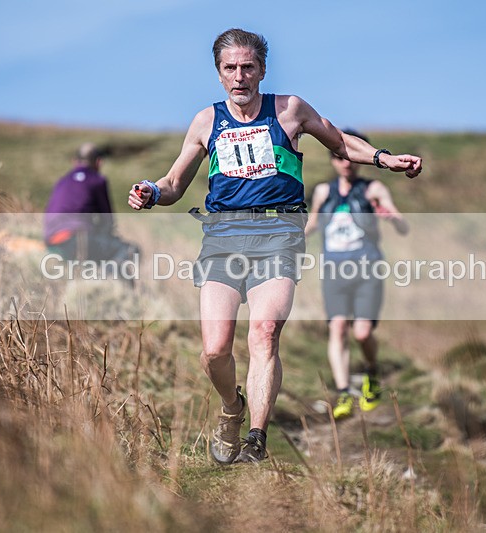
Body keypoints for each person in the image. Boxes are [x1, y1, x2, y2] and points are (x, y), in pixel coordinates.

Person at [128, 28, 422, 464]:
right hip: (223, 237)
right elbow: (174, 183)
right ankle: (232, 406)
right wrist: (152, 191)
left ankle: (256, 438)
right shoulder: (206, 122)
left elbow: (339, 142)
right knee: (215, 350)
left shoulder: (289, 110)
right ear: (219, 73)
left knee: (264, 333)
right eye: (231, 68)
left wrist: (384, 159)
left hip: (278, 234)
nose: (240, 76)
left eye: (248, 67)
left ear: (262, 69)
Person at [304, 129, 409, 420]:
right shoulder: (324, 192)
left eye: (350, 158)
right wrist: (289, 239)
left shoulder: (373, 189)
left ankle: (371, 373)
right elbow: (312, 224)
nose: (346, 163)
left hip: (367, 269)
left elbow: (402, 225)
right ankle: (343, 393)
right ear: (333, 161)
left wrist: (391, 217)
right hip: (334, 270)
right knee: (337, 328)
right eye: (339, 158)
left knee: (362, 332)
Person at [44, 142, 140, 280]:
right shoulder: (97, 180)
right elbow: (107, 220)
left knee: (95, 250)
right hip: (76, 239)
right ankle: (113, 290)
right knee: (129, 250)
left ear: (75, 161)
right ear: (99, 162)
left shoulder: (61, 181)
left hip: (52, 242)